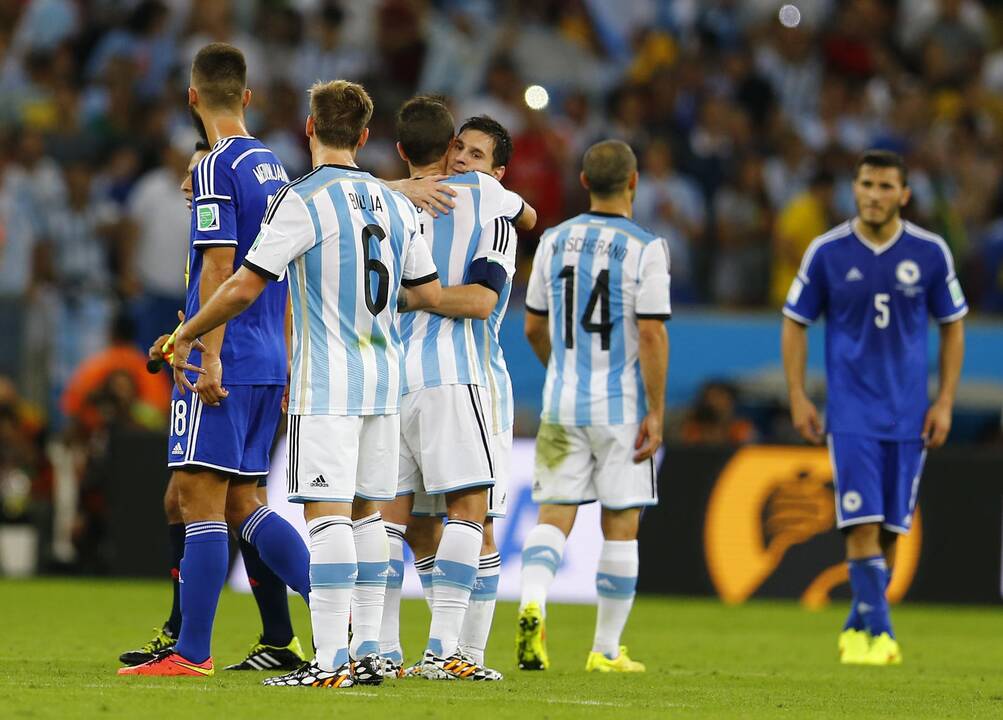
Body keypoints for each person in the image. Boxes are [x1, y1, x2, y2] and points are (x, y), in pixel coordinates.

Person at [170, 79, 441, 689]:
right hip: (386, 381)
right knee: (372, 517)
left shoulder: (301, 201)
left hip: (328, 384)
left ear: (310, 129)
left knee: (327, 519)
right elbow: (423, 292)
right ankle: (370, 650)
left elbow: (243, 284)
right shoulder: (397, 205)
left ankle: (328, 662)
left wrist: (189, 331)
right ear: (367, 137)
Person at [119, 43, 310, 678]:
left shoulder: (215, 165)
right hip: (269, 356)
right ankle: (351, 624)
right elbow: (281, 272)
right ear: (247, 98)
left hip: (224, 359)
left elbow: (222, 266)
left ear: (192, 97)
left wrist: (205, 354)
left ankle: (190, 652)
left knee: (201, 499)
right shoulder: (274, 167)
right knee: (244, 504)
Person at [782, 149, 966, 666]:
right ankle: (881, 635)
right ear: (854, 188)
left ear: (904, 195)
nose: (874, 195)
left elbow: (952, 325)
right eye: (866, 184)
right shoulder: (828, 251)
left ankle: (856, 626)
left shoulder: (930, 253)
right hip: (851, 412)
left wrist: (945, 402)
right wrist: (798, 395)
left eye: (886, 186)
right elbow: (795, 321)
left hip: (909, 414)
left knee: (891, 528)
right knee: (861, 524)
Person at [377, 103, 535, 681]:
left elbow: (484, 299)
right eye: (459, 149)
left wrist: (416, 294)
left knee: (480, 520)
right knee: (415, 522)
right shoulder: (407, 203)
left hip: (478, 381)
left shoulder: (487, 209)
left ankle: (464, 650)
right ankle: (400, 650)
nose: (463, 161)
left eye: (476, 156)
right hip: (415, 379)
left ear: (496, 173)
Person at [517, 140, 671, 673]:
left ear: (582, 181)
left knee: (554, 515)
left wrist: (559, 369)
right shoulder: (647, 247)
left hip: (562, 401)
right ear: (633, 183)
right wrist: (656, 410)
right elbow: (650, 333)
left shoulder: (554, 241)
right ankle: (605, 650)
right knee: (621, 524)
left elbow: (533, 326)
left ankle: (533, 600)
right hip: (622, 407)